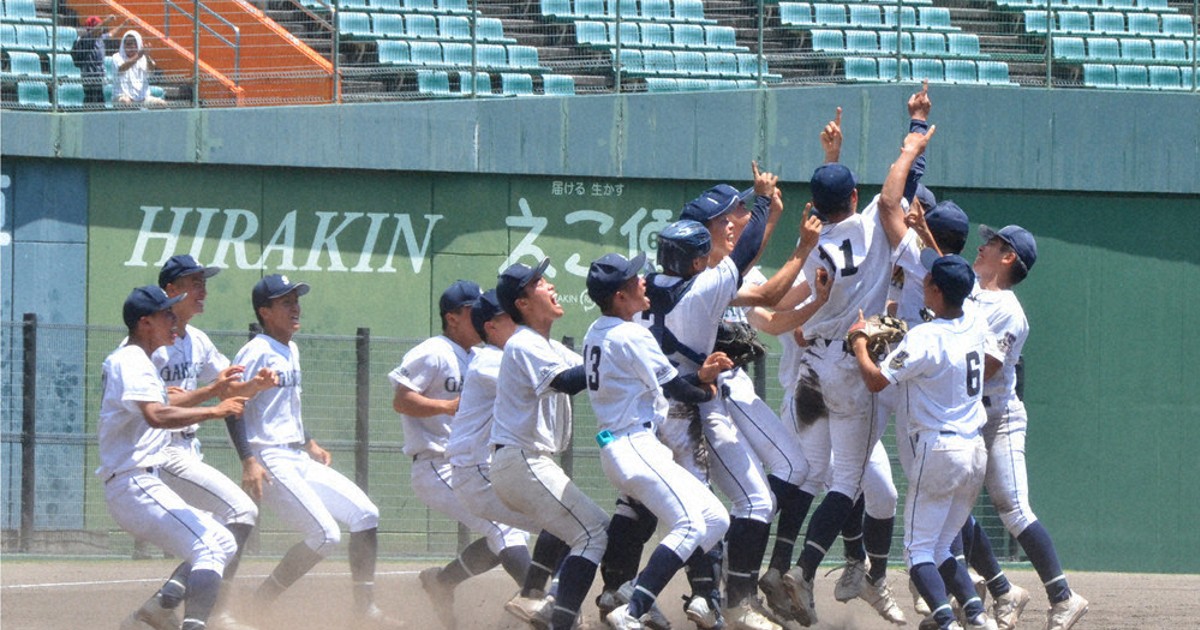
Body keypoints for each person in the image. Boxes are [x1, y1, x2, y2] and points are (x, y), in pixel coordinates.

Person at [781, 109, 933, 627]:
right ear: (853, 196)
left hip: (814, 367)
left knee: (828, 478)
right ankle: (800, 571)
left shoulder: (811, 250)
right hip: (852, 366)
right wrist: (916, 128)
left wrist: (831, 160)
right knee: (844, 481)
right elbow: (898, 187)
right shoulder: (875, 224)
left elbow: (837, 214)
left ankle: (798, 568)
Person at [231, 274, 401, 628]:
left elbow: (284, 407)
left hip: (295, 454)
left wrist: (308, 441)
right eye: (286, 302)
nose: (295, 308)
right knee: (325, 536)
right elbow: (233, 405)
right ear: (265, 312)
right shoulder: (256, 350)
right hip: (269, 457)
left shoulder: (290, 348)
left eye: (296, 300)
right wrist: (248, 460)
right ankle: (261, 601)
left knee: (366, 514)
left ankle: (363, 609)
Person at [581, 252, 733, 630]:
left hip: (629, 446)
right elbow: (677, 388)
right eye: (635, 278)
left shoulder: (596, 331)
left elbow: (666, 384)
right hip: (634, 445)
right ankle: (631, 611)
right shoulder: (633, 334)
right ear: (620, 295)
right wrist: (707, 390)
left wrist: (700, 380)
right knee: (690, 525)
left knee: (715, 519)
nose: (643, 280)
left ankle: (634, 592)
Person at [124, 255, 275, 630]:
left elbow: (227, 388)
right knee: (240, 514)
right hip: (160, 451)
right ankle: (190, 609)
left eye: (204, 282)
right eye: (194, 283)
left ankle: (162, 605)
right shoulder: (152, 343)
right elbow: (161, 404)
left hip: (187, 450)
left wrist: (253, 386)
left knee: (218, 534)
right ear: (170, 290)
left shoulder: (198, 341)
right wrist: (207, 398)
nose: (203, 290)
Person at [848, 252, 995, 630]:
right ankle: (978, 617)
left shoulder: (925, 338)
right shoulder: (975, 321)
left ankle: (946, 623)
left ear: (936, 289)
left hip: (941, 450)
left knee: (917, 553)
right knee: (943, 546)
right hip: (975, 451)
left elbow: (876, 381)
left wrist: (860, 341)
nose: (924, 282)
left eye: (928, 279)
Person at [100, 286, 245, 630]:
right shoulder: (132, 360)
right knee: (210, 547)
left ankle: (150, 619)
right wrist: (214, 411)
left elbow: (162, 406)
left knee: (223, 541)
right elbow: (157, 415)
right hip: (132, 482)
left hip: (140, 480)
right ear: (145, 323)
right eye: (166, 313)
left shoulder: (142, 360)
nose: (173, 319)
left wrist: (212, 391)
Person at [391, 280, 531, 629]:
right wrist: (446, 406)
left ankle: (442, 583)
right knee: (505, 530)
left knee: (508, 532)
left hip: (475, 464)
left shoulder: (481, 356)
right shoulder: (434, 351)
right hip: (437, 464)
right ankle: (543, 604)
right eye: (472, 310)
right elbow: (401, 400)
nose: (482, 315)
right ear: (452, 318)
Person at [972, 225, 1089, 630]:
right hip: (966, 416)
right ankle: (999, 591)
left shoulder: (1009, 311)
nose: (981, 246)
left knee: (1013, 508)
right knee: (951, 512)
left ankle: (1064, 598)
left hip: (998, 418)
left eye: (992, 244)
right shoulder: (970, 289)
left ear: (1008, 258)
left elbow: (988, 369)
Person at [488, 259, 606, 630]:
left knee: (585, 527)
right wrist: (616, 349)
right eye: (538, 282)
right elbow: (569, 381)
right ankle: (559, 614)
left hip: (526, 462)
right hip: (521, 462)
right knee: (593, 533)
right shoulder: (523, 343)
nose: (550, 285)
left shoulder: (546, 345)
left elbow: (594, 375)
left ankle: (544, 598)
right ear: (522, 303)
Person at [71, 14, 126, 105]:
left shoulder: (100, 38)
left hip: (99, 75)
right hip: (89, 75)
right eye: (99, 27)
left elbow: (111, 34)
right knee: (91, 99)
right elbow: (94, 31)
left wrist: (123, 25)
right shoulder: (86, 38)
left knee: (100, 99)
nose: (102, 29)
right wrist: (106, 21)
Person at [112, 30, 166, 108]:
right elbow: (121, 68)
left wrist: (147, 56)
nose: (130, 47)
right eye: (127, 44)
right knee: (125, 102)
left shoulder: (143, 58)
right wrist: (138, 56)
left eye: (133, 44)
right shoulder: (117, 57)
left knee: (161, 103)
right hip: (122, 96)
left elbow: (151, 71)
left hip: (143, 98)